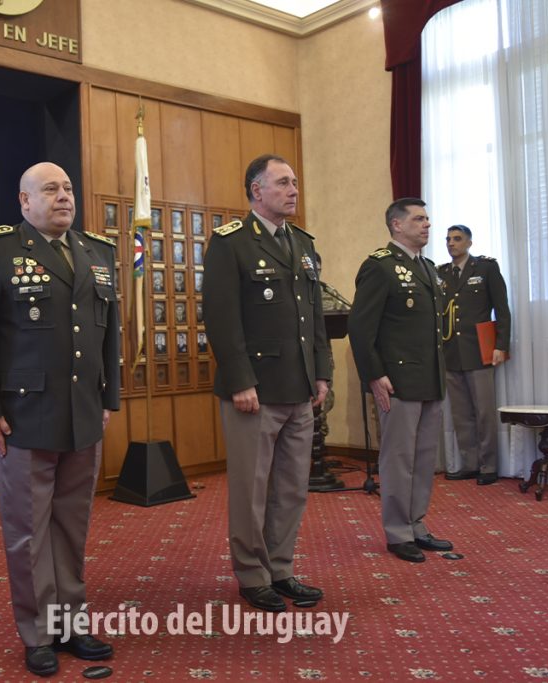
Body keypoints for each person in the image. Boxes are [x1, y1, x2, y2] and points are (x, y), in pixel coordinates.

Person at [0, 162, 120, 678]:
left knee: (72, 526)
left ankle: (71, 622)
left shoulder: (97, 252)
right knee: (28, 531)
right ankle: (39, 632)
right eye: (50, 189)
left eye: (67, 188)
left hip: (83, 414)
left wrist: (109, 397)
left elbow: (109, 332)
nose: (64, 196)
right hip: (23, 415)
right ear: (25, 201)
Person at [203, 154, 331, 613]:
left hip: (299, 386)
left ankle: (281, 568)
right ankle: (252, 575)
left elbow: (314, 316)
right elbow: (221, 318)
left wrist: (322, 372)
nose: (293, 190)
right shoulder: (231, 242)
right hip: (254, 390)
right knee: (251, 491)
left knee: (292, 488)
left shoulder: (303, 243)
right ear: (257, 190)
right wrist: (240, 380)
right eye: (282, 183)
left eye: (294, 182)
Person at [349, 198, 452, 564]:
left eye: (427, 218)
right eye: (419, 219)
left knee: (424, 459)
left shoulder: (427, 267)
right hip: (397, 380)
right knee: (398, 459)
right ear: (397, 225)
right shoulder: (380, 267)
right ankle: (397, 532)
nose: (427, 224)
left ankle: (416, 524)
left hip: (429, 378)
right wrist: (375, 375)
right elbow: (361, 329)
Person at [437, 225, 511, 486]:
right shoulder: (441, 273)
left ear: (469, 242)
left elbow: (502, 309)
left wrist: (501, 345)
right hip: (451, 351)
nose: (451, 243)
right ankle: (469, 464)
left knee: (484, 412)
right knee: (460, 413)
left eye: (457, 239)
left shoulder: (486, 268)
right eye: (448, 239)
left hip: (479, 349)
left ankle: (488, 466)